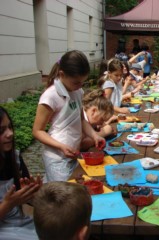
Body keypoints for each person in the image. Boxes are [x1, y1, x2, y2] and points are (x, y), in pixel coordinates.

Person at [33, 50, 106, 182]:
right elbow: (37, 131)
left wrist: (95, 136)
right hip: (56, 157)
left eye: (82, 82)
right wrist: (61, 146)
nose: (80, 86)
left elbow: (82, 119)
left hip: (72, 153)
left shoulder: (77, 91)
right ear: (62, 75)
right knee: (65, 195)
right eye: (76, 82)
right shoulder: (50, 96)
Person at [0, 106, 42, 239]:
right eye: (1, 131)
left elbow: (28, 199)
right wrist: (8, 204)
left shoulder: (14, 159)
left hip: (19, 224)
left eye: (10, 127)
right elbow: (12, 203)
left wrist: (32, 194)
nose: (10, 133)